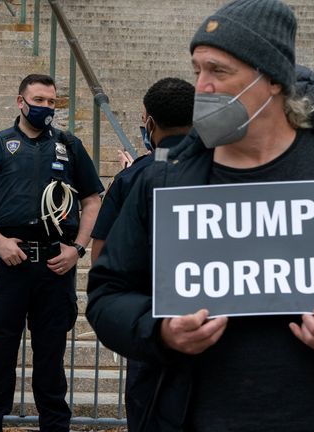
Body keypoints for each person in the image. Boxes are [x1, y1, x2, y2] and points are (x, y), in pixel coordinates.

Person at [86, 0, 314, 431]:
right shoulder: (163, 185)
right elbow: (107, 295)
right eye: (197, 70)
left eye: (219, 71)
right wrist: (159, 330)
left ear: (272, 79)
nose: (202, 87)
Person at [0, 73, 103, 431]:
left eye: (52, 102)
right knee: (1, 351)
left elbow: (92, 199)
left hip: (56, 264)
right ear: (20, 101)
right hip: (10, 261)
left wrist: (78, 249)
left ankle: (55, 426)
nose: (46, 108)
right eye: (38, 100)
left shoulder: (69, 145)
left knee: (51, 356)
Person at [89, 77, 193, 432]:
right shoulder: (230, 171)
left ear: (148, 121)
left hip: (153, 325)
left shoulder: (135, 177)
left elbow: (101, 254)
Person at [90, 77, 194, 262]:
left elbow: (101, 253)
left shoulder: (129, 178)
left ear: (151, 125)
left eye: (144, 120)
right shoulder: (224, 169)